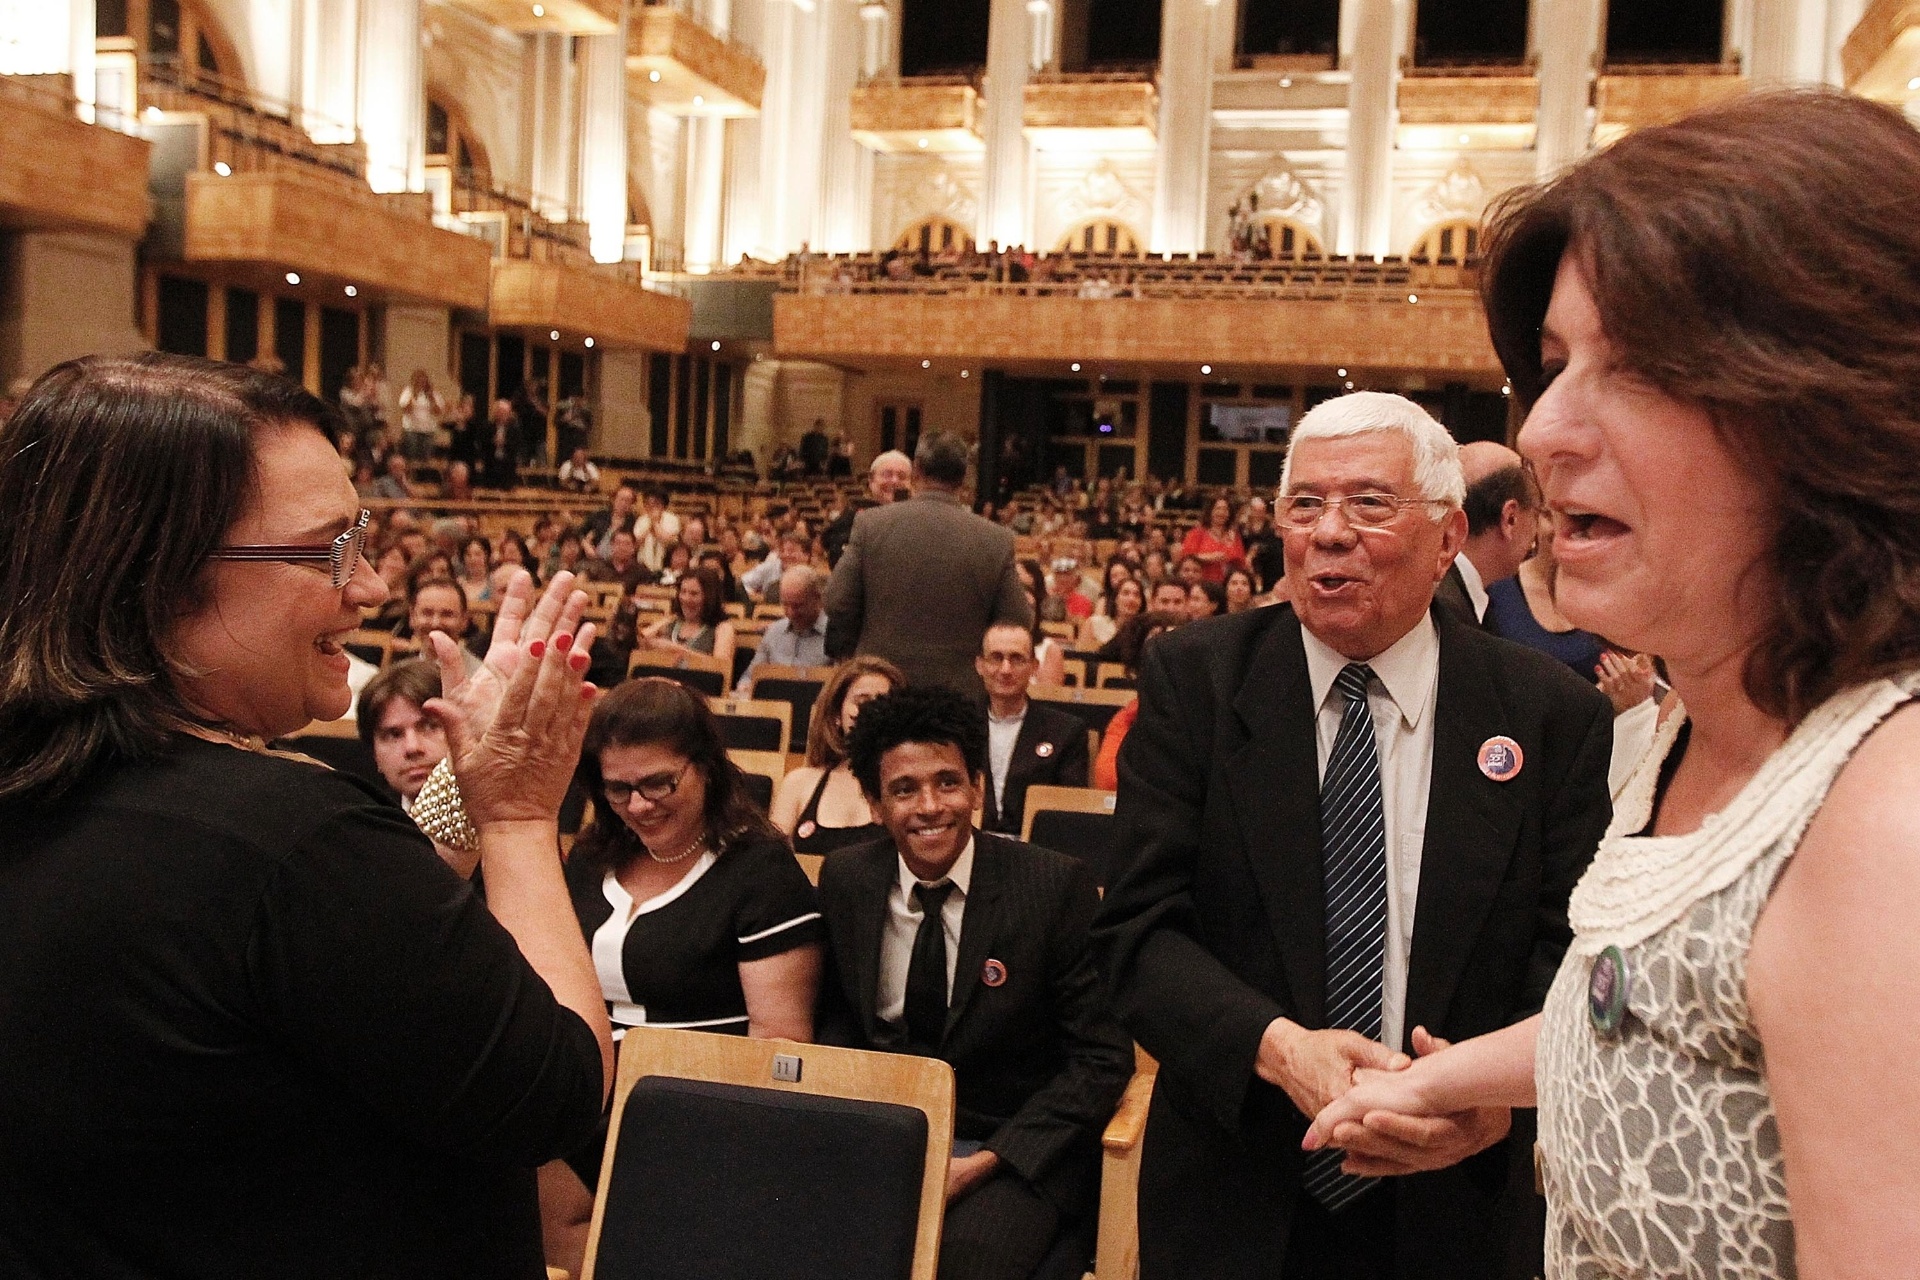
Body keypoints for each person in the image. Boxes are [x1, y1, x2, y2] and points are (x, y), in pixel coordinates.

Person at [1303, 91, 1920, 1279]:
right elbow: (1649, 1003)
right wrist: (1451, 1077)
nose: (1542, 431)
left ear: (1831, 406)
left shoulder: (1886, 824)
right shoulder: (1695, 726)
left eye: (1634, 368)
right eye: (1552, 366)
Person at [0, 352, 611, 1275]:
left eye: (362, 538)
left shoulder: (51, 789)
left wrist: (462, 795)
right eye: (329, 549)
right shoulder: (291, 841)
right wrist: (520, 816)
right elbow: (553, 1091)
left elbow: (338, 969)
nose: (369, 587)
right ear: (160, 572)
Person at [1092, 391, 1613, 1279]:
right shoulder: (1198, 683)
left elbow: (1571, 953)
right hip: (1238, 1186)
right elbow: (1137, 936)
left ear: (1449, 538)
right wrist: (1279, 1048)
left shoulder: (1547, 714)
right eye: (1305, 505)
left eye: (1370, 504)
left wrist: (1495, 1101)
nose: (1329, 533)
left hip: (1459, 1196)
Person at [815, 687, 1134, 1280]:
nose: (930, 806)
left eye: (948, 783)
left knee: (961, 1263)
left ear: (978, 789)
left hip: (1010, 1147)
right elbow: (836, 1019)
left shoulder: (1052, 887)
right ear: (875, 804)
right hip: (887, 1131)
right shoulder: (847, 879)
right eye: (904, 790)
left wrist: (986, 1161)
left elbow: (1102, 1059)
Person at [825, 431, 1031, 697]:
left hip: (881, 687)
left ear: (917, 470)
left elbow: (836, 602)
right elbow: (1017, 620)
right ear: (964, 476)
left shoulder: (871, 524)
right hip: (958, 694)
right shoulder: (995, 539)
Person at [771, 657, 905, 855]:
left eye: (884, 702)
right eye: (862, 702)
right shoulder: (798, 783)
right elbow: (770, 862)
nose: (873, 711)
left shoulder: (907, 785)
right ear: (836, 715)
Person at [356, 657, 470, 876]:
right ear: (374, 755)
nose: (412, 747)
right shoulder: (365, 828)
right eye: (394, 734)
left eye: (430, 726)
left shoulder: (498, 821)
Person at [975, 623, 1091, 836]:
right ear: (980, 665)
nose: (1006, 669)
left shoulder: (1066, 731)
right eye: (996, 658)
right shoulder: (959, 725)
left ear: (1034, 667)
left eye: (1017, 659)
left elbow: (1069, 814)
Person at [1435, 442, 1539, 626]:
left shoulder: (1441, 587)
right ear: (1510, 519)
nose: (1535, 538)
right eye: (1536, 514)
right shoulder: (1444, 610)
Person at [1089, 611, 1184, 791]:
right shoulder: (1128, 718)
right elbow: (1108, 778)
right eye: (1157, 650)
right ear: (1137, 668)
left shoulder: (1211, 716)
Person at [737, 565, 830, 691]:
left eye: (798, 606)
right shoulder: (773, 632)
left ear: (817, 599)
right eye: (785, 605)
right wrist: (745, 687)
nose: (791, 613)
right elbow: (750, 676)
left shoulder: (835, 635)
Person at [641, 565, 736, 675]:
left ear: (710, 597)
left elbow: (721, 668)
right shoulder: (672, 621)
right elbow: (644, 640)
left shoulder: (723, 628)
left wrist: (677, 650)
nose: (686, 599)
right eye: (683, 592)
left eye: (694, 594)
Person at [403, 576, 485, 678]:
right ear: (412, 617)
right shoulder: (400, 676)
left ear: (464, 620)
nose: (435, 623)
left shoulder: (481, 678)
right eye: (427, 613)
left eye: (447, 614)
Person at [1179, 495, 1247, 584]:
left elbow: (1241, 564)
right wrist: (1209, 557)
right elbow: (1186, 558)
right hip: (1201, 584)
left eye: (1225, 509)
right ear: (1210, 511)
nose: (1221, 513)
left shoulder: (1234, 536)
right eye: (1218, 508)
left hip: (1226, 585)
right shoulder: (1196, 533)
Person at [397, 368, 445, 462]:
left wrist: (431, 398)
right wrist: (413, 395)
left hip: (428, 430)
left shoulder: (433, 393)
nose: (421, 383)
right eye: (418, 380)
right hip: (411, 430)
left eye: (423, 380)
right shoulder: (408, 391)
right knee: (412, 458)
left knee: (426, 459)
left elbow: (438, 412)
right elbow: (405, 409)